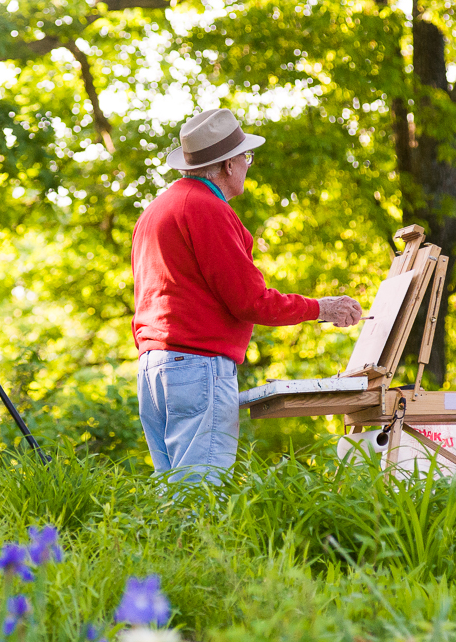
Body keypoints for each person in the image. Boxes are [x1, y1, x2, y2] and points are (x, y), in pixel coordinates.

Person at [131, 109, 362, 482]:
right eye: (245, 157)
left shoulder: (157, 210)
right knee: (200, 494)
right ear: (225, 166)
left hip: (154, 368)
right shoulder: (207, 209)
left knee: (173, 496)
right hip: (197, 366)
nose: (247, 165)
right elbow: (250, 301)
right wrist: (322, 308)